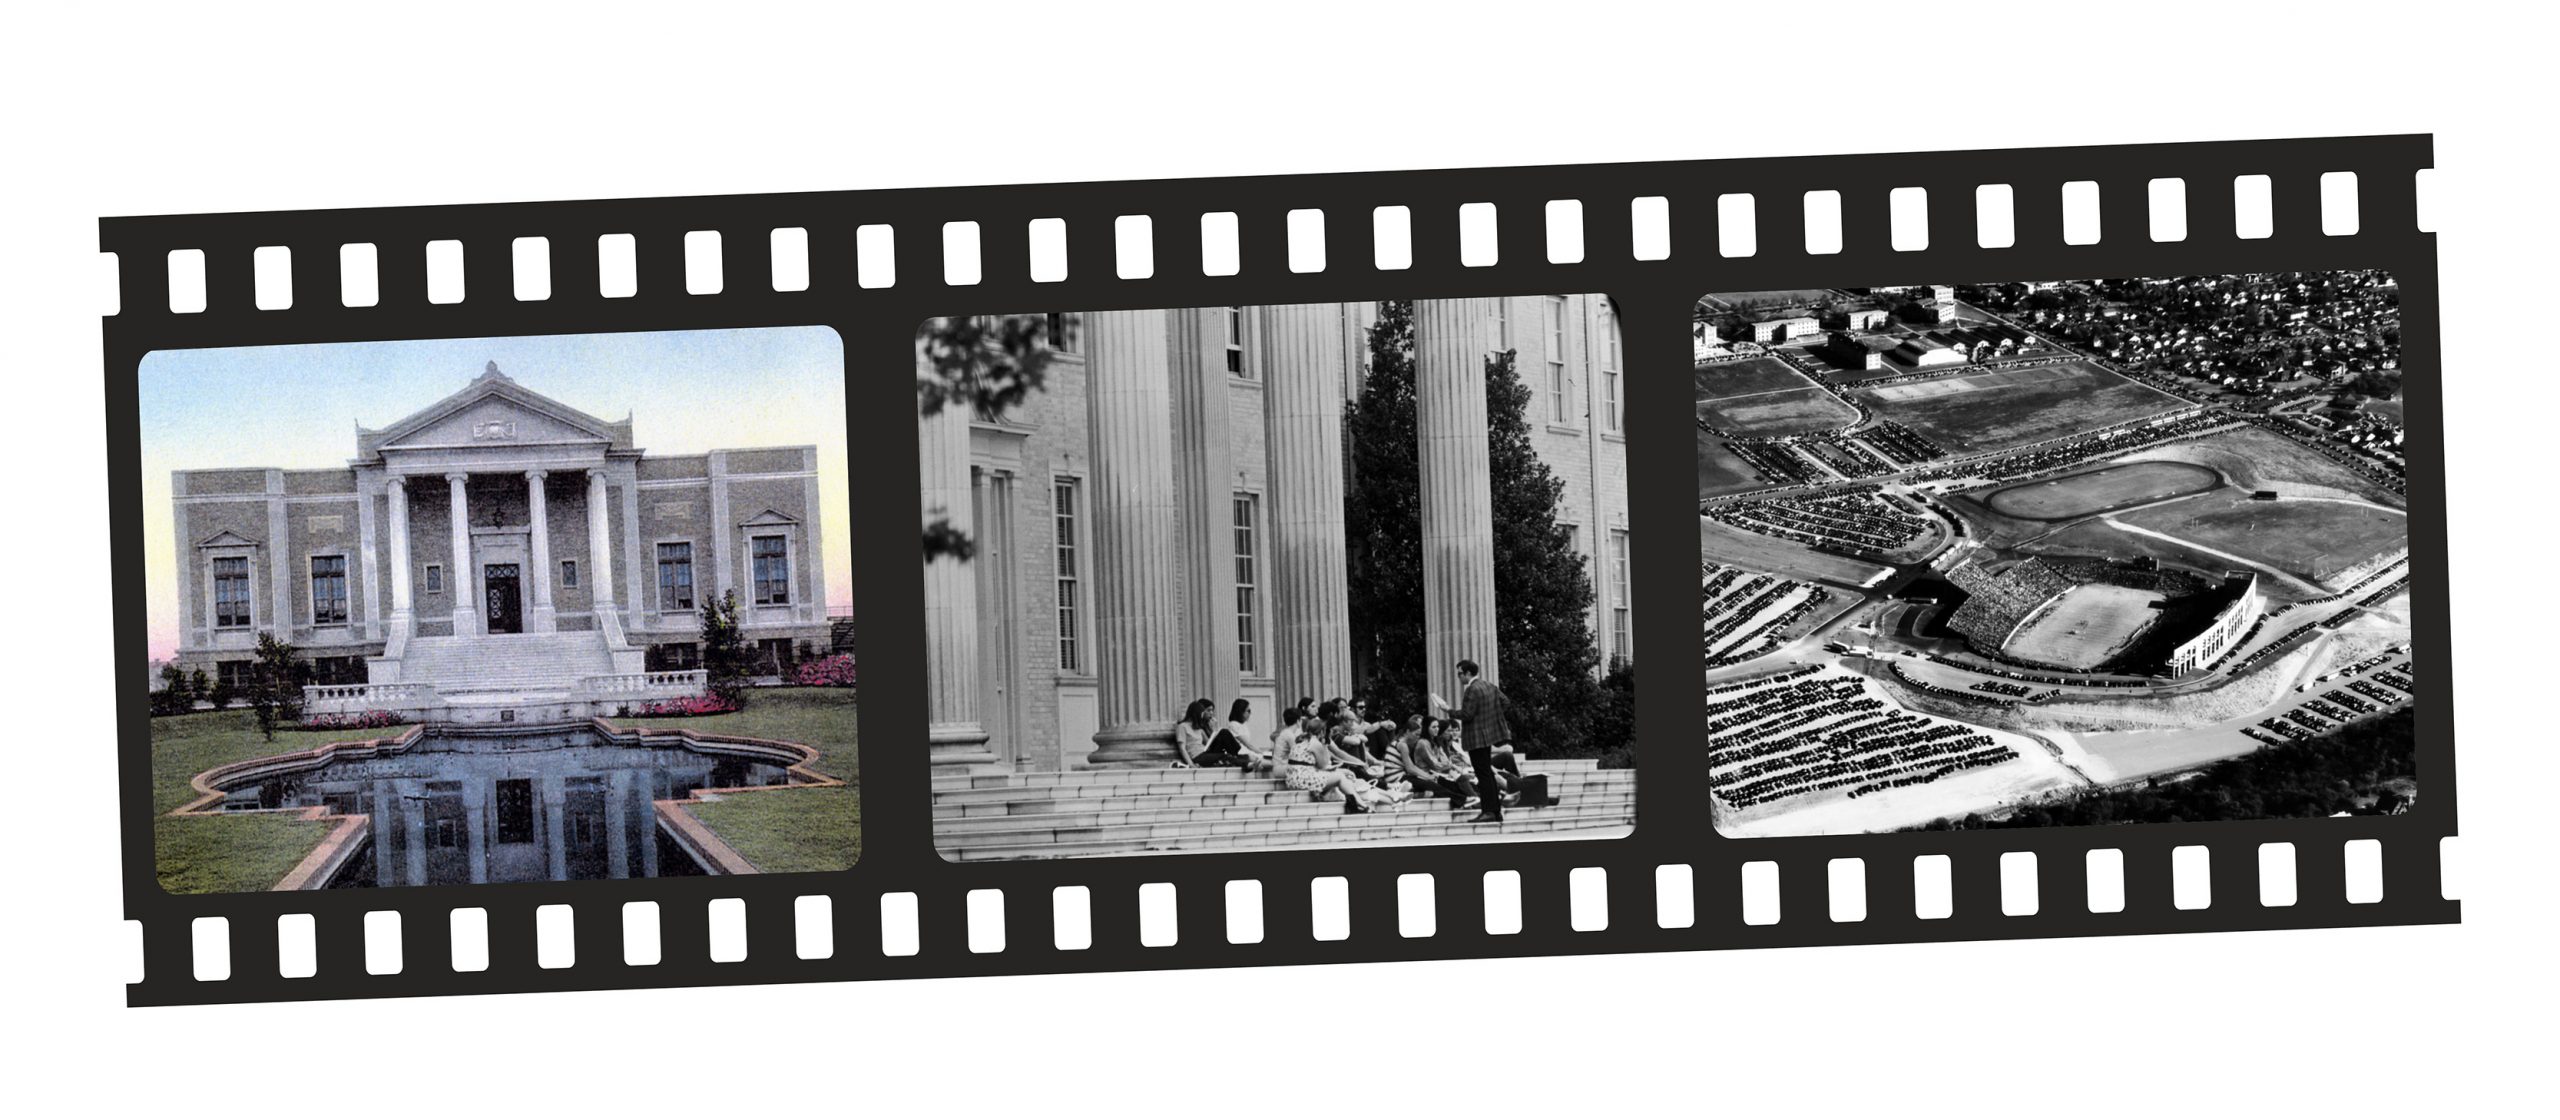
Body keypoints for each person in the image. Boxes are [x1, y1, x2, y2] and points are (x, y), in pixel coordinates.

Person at [1439, 659, 1512, 823]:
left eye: (1460, 674)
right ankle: (1495, 811)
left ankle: (1488, 812)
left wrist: (1448, 710)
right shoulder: (1489, 685)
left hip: (1476, 738)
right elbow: (1505, 702)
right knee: (1487, 774)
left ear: (1468, 673)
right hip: (1487, 736)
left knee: (1483, 774)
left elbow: (1467, 715)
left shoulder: (1472, 689)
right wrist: (1490, 720)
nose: (1459, 677)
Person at [1196, 698, 1257, 769]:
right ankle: (1239, 756)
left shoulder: (1208, 725)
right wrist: (1214, 730)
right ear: (1201, 712)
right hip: (1205, 753)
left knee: (1224, 734)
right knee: (1224, 732)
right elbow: (1208, 744)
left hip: (1212, 752)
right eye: (1209, 710)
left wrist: (1213, 729)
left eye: (1212, 710)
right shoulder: (1198, 727)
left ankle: (1239, 756)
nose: (1211, 713)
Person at [1171, 698, 1215, 767]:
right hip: (1197, 756)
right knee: (1225, 756)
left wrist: (1212, 728)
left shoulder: (1199, 729)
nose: (1202, 717)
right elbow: (1182, 749)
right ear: (1197, 714)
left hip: (1205, 753)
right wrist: (1191, 765)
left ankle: (1236, 757)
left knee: (1223, 734)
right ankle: (1237, 758)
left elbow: (1210, 745)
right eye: (1202, 714)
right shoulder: (1182, 727)